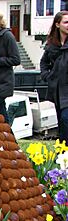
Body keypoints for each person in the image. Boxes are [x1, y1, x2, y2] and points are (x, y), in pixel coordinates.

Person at [40, 11, 68, 144]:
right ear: (58, 24)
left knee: (65, 118)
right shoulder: (52, 44)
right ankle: (63, 154)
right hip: (57, 91)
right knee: (62, 123)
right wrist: (47, 76)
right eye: (66, 22)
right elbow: (44, 62)